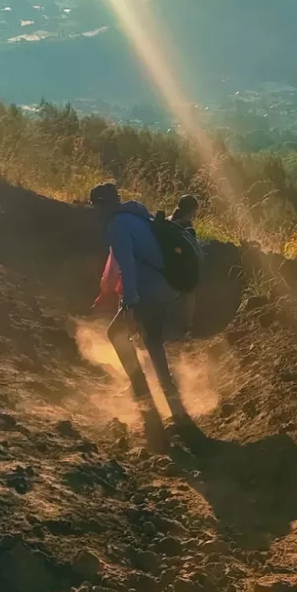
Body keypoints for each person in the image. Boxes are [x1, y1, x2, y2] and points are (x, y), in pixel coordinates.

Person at [90, 181, 190, 429]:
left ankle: (142, 393)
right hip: (166, 285)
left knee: (116, 333)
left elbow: (128, 266)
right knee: (152, 340)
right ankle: (174, 404)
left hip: (150, 290)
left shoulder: (117, 226)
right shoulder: (136, 214)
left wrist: (130, 303)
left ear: (100, 206)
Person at [169, 195, 202, 336]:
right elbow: (193, 251)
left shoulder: (169, 221)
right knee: (189, 295)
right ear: (192, 210)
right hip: (180, 267)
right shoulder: (187, 227)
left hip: (164, 263)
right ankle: (186, 329)